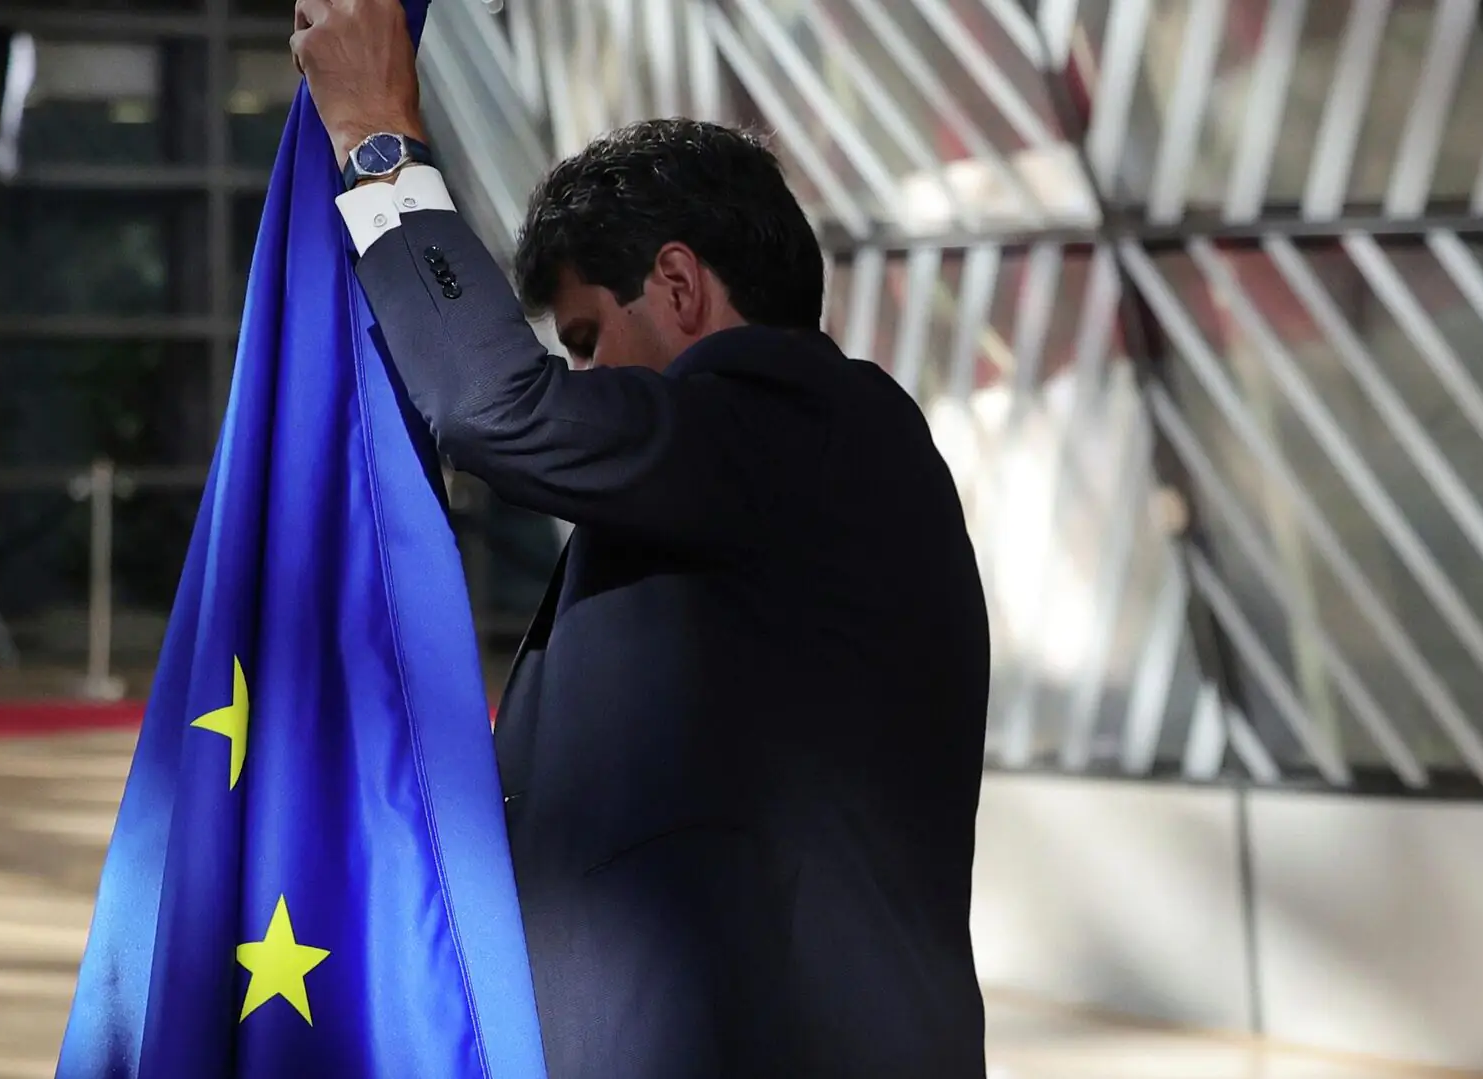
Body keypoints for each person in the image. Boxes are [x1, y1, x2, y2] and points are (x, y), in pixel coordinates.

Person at [291, 2, 990, 1075]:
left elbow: (494, 409)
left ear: (678, 284)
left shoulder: (801, 418)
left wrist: (378, 145)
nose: (577, 380)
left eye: (583, 341)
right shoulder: (757, 476)